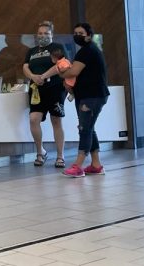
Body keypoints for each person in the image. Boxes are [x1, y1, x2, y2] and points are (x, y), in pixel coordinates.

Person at [58, 23, 110, 178]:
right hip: (90, 96)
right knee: (89, 127)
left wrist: (61, 72)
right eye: (75, 32)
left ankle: (78, 166)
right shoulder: (89, 50)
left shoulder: (86, 52)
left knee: (84, 129)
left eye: (80, 33)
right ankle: (96, 165)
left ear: (88, 35)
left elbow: (73, 71)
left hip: (91, 97)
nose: (77, 35)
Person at [21, 21, 66, 168]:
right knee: (34, 119)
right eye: (40, 33)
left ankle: (60, 156)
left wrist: (44, 76)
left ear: (52, 34)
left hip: (54, 88)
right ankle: (40, 152)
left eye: (46, 33)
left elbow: (60, 65)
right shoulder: (31, 51)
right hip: (36, 90)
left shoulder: (57, 48)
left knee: (56, 120)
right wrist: (33, 77)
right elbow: (25, 66)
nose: (43, 36)